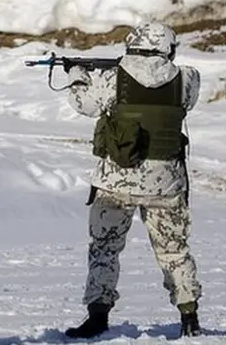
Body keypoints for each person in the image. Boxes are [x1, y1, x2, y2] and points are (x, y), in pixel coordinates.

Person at [63, 21, 202, 339]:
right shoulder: (187, 79)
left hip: (116, 184)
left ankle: (97, 316)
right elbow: (182, 98)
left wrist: (76, 74)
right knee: (174, 251)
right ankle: (189, 315)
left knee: (104, 249)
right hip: (166, 184)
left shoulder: (112, 78)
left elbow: (83, 104)